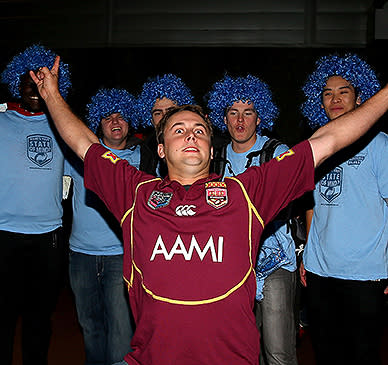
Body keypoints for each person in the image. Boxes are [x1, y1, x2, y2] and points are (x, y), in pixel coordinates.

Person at [30, 55, 388, 365]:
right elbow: (84, 144)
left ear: (210, 148)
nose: (190, 135)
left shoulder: (247, 193)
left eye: (199, 130)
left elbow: (326, 141)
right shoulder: (134, 193)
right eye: (178, 130)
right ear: (160, 149)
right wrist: (51, 96)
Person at [299, 53, 388, 365]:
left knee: (363, 356)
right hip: (320, 272)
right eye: (327, 93)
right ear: (319, 101)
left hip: (367, 275)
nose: (334, 99)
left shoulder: (381, 145)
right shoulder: (315, 144)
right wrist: (308, 256)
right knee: (326, 355)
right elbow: (311, 203)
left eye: (343, 91)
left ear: (361, 97)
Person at [207, 74, 299, 365]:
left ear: (260, 117)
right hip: (231, 267)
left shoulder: (278, 154)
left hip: (274, 263)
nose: (240, 120)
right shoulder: (215, 158)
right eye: (233, 112)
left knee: (278, 353)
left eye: (248, 113)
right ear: (224, 117)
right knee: (240, 352)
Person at [0, 45, 71, 365]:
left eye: (40, 81)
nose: (33, 88)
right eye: (27, 81)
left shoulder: (63, 126)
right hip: (3, 235)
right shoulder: (0, 121)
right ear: (17, 83)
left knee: (39, 319)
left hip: (49, 238)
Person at [66, 88, 139, 365]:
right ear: (98, 122)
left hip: (121, 257)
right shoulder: (80, 156)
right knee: (90, 328)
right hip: (80, 255)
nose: (115, 122)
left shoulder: (140, 160)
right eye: (108, 117)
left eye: (121, 116)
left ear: (130, 121)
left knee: (121, 332)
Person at [135, 73, 195, 175]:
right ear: (151, 120)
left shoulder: (197, 142)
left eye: (170, 111)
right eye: (158, 113)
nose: (164, 117)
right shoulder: (144, 151)